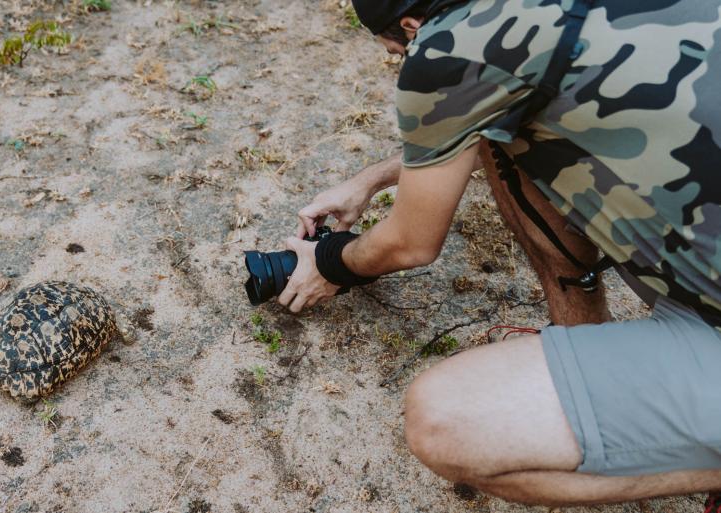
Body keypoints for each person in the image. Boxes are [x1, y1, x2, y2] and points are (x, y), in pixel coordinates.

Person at [278, 0, 721, 506]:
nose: (403, 61)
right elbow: (496, 105)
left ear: (410, 25)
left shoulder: (447, 46)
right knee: (505, 139)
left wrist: (332, 261)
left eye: (396, 53)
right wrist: (372, 179)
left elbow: (410, 243)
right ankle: (589, 342)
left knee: (446, 421)